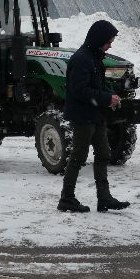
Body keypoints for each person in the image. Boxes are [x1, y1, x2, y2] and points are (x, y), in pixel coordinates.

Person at [57, 20, 130, 213]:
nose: (110, 45)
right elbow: (79, 90)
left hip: (95, 114)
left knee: (104, 153)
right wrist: (106, 98)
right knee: (78, 156)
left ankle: (104, 198)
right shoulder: (82, 59)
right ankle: (67, 198)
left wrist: (111, 95)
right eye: (108, 41)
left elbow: (98, 85)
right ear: (98, 39)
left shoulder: (94, 57)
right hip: (82, 116)